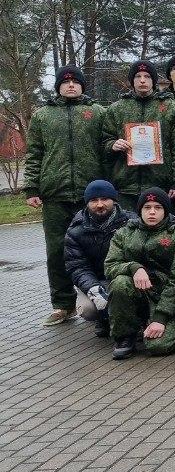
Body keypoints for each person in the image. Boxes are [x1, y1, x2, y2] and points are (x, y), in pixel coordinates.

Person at [25, 65, 105, 326]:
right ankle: (62, 304)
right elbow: (34, 153)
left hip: (90, 194)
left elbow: (106, 150)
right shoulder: (43, 116)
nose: (71, 85)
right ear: (58, 86)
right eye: (65, 82)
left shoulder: (97, 112)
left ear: (82, 85)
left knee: (97, 247)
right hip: (55, 194)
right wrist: (32, 188)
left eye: (75, 82)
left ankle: (100, 299)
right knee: (56, 251)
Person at [104, 188, 175, 360]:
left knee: (158, 346)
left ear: (166, 210)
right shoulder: (125, 233)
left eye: (158, 207)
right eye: (147, 207)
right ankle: (125, 337)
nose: (152, 212)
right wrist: (133, 268)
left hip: (166, 296)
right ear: (140, 210)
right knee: (120, 283)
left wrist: (161, 317)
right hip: (138, 291)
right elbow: (110, 266)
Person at [100, 60, 175, 208]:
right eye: (137, 76)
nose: (142, 80)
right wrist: (112, 145)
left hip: (161, 186)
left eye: (147, 76)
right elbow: (104, 141)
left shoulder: (171, 108)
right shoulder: (117, 109)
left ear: (154, 80)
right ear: (132, 81)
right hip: (126, 187)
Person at [64, 180, 135, 338]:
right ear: (87, 203)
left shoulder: (132, 222)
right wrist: (94, 289)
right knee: (88, 309)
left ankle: (133, 320)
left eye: (105, 199)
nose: (100, 204)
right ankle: (103, 319)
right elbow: (77, 267)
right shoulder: (75, 231)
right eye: (94, 200)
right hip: (96, 281)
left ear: (114, 200)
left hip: (125, 278)